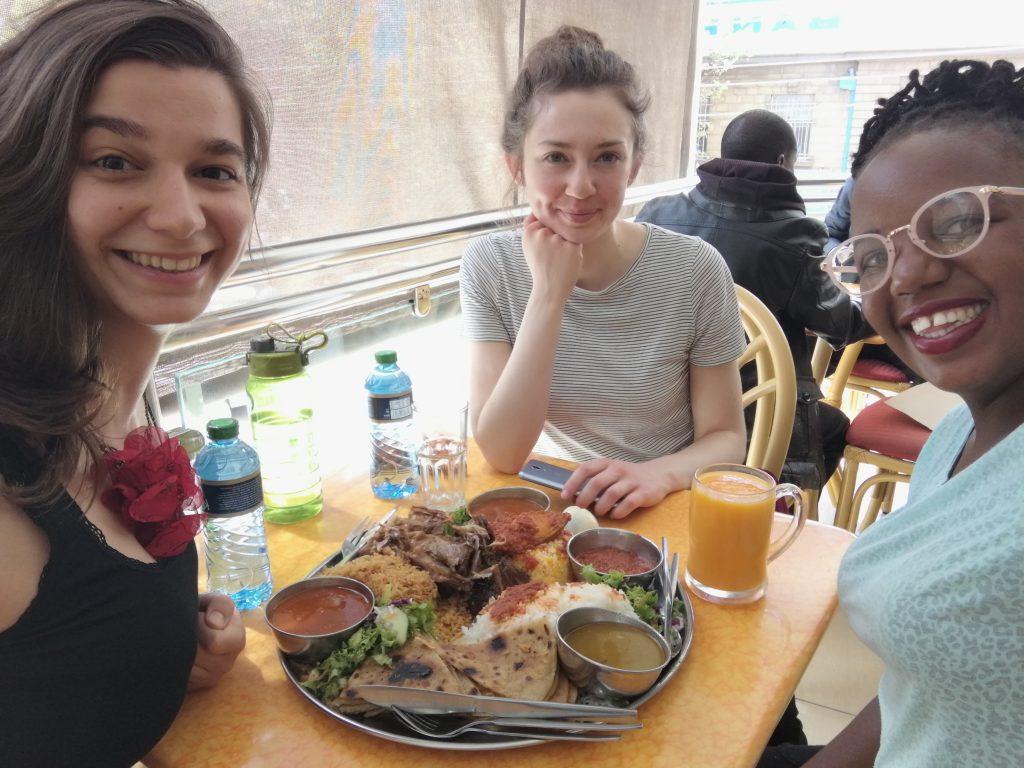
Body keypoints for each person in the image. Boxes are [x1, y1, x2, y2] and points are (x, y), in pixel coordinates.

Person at [0, 1, 271, 765]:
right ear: (27, 171)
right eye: (115, 161)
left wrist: (170, 664)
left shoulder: (105, 411)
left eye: (214, 170)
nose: (183, 217)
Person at [762, 59, 1024, 767]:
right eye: (871, 257)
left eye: (958, 221)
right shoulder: (959, 433)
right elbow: (928, 684)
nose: (906, 275)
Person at [460, 26, 747, 519]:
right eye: (555, 157)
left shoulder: (695, 269)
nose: (580, 186)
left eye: (607, 157)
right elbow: (503, 452)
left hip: (658, 509)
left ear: (634, 165)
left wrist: (659, 474)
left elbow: (726, 439)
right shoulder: (490, 265)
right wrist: (549, 293)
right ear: (517, 167)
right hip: (546, 507)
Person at [636, 109, 872, 491]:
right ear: (783, 163)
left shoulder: (656, 215)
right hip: (752, 420)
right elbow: (841, 324)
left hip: (658, 406)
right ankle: (776, 515)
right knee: (835, 427)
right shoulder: (796, 235)